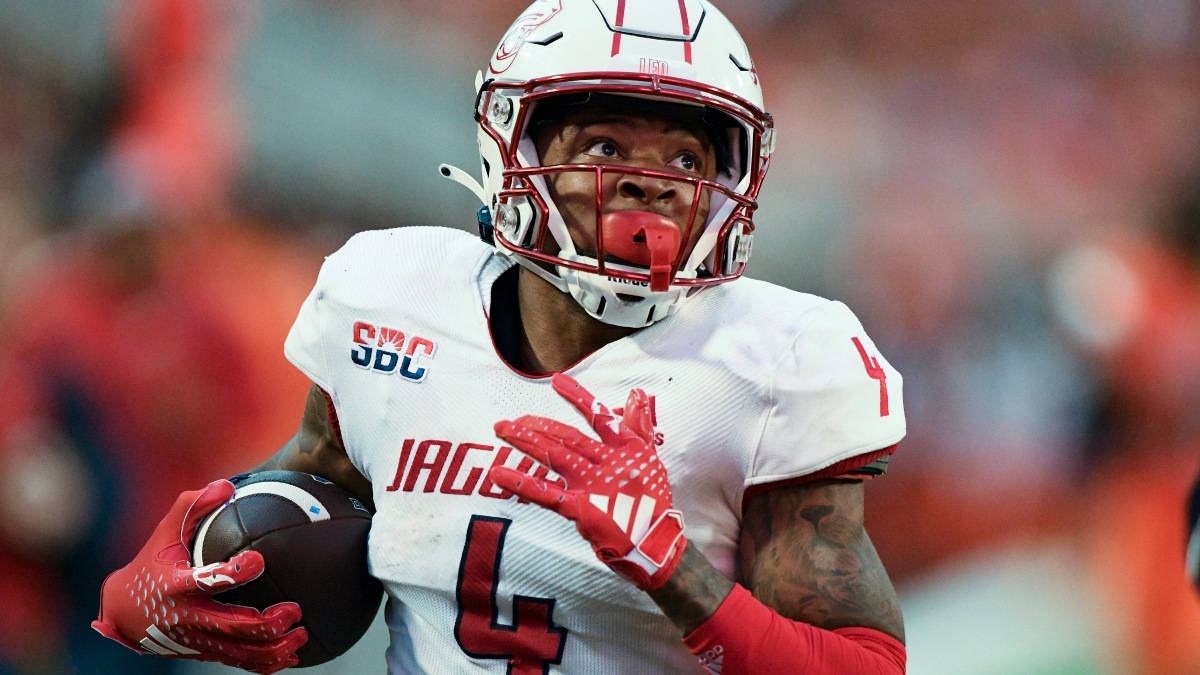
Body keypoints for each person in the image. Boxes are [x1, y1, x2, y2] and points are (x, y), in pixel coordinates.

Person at [92, 1, 909, 672]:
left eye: (688, 157)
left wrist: (674, 570)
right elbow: (315, 489)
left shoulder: (771, 360)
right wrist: (156, 588)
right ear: (513, 146)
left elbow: (866, 666)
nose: (647, 180)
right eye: (605, 144)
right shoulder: (395, 296)